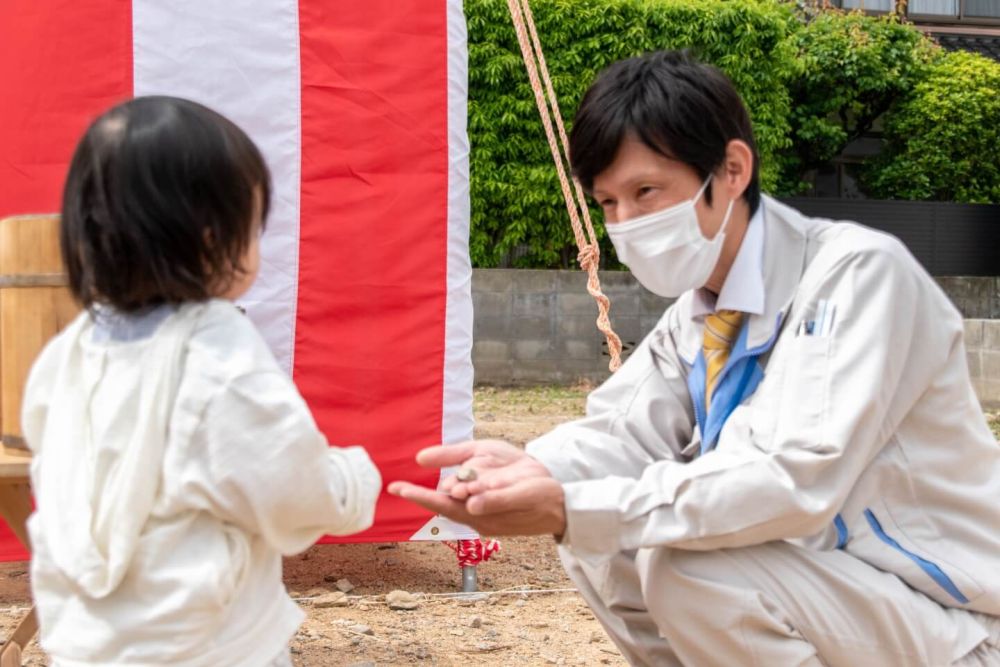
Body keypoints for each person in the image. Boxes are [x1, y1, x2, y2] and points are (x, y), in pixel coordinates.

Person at [388, 50, 1000, 665]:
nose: (625, 223)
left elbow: (791, 477)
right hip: (835, 587)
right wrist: (533, 470)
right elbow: (621, 430)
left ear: (732, 170)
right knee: (603, 544)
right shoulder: (703, 308)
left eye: (645, 192)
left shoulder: (858, 275)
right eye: (608, 204)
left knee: (686, 568)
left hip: (952, 618)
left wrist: (572, 504)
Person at [21, 96, 382, 667]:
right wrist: (352, 482)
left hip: (87, 644)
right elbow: (289, 486)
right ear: (215, 239)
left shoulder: (68, 353)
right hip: (206, 646)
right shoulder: (215, 351)